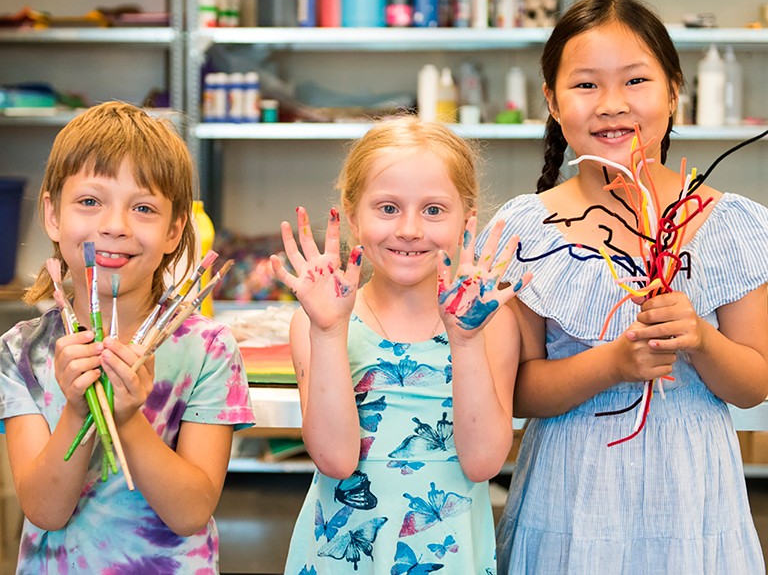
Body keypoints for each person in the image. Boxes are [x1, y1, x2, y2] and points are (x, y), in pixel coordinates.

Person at [480, 0, 768, 573]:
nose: (613, 105)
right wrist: (614, 363)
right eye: (585, 85)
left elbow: (754, 384)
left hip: (694, 505)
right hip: (568, 502)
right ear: (553, 103)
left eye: (636, 80)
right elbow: (513, 393)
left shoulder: (730, 223)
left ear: (673, 91)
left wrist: (701, 340)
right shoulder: (521, 230)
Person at [0, 101, 256, 573]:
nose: (115, 226)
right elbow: (44, 510)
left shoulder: (209, 350)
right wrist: (79, 410)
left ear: (175, 229)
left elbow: (190, 511)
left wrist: (129, 418)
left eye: (143, 208)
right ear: (53, 215)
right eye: (90, 202)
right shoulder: (21, 351)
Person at [272, 115, 529, 574]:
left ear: (467, 220)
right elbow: (335, 460)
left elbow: (484, 463)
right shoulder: (320, 323)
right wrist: (328, 333)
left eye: (433, 210)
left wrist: (466, 342)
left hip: (446, 557)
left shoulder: (492, 325)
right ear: (352, 215)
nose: (409, 229)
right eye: (388, 208)